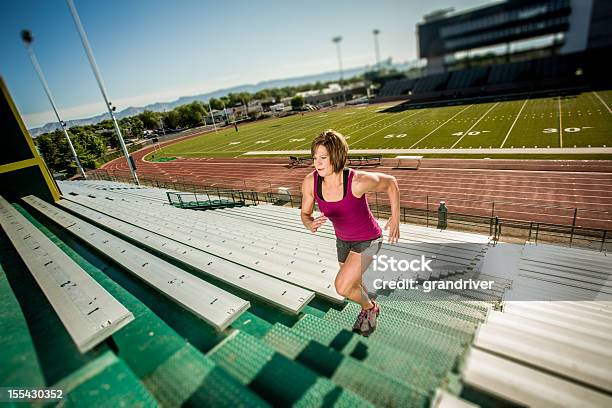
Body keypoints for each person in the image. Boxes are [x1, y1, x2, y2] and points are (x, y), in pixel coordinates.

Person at [300, 129, 400, 336]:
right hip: (343, 241)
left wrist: (396, 217)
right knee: (354, 283)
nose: (316, 163)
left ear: (336, 157)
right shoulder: (311, 182)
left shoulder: (357, 181)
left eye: (323, 158)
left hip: (369, 239)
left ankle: (370, 308)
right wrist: (309, 224)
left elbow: (391, 182)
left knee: (343, 287)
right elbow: (304, 214)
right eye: (314, 158)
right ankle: (368, 303)